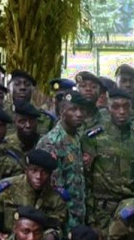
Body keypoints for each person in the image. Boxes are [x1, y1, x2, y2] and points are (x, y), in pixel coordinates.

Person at [84, 90, 134, 230]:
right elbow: (86, 180)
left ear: (132, 109)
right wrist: (90, 218)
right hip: (101, 210)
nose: (121, 111)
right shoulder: (93, 138)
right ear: (108, 108)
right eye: (116, 106)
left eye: (126, 106)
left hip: (130, 209)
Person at [36, 92, 95, 229]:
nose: (79, 114)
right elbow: (51, 190)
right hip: (60, 221)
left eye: (82, 110)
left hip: (78, 217)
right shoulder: (51, 142)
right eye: (73, 109)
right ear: (62, 111)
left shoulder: (78, 138)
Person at [0, 149, 69, 239]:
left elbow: (57, 226)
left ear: (50, 175)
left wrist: (51, 235)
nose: (38, 176)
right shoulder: (5, 190)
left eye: (44, 172)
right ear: (26, 170)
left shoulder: (57, 197)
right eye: (34, 170)